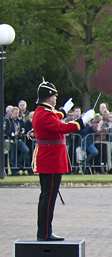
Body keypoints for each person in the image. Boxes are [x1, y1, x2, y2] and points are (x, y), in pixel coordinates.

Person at [31, 80, 94, 240]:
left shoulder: (43, 111)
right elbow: (63, 128)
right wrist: (82, 120)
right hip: (50, 159)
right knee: (49, 197)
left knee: (47, 196)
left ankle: (44, 232)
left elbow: (56, 117)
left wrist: (64, 112)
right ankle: (44, 233)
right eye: (54, 96)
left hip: (49, 157)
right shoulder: (44, 114)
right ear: (49, 97)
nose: (55, 98)